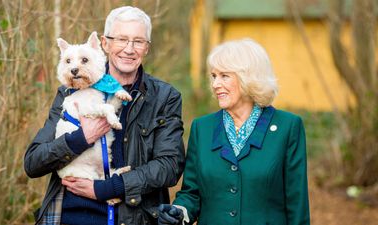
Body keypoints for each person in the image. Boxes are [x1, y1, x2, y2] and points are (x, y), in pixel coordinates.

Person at [24, 6, 185, 225]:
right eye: (121, 39)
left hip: (132, 218)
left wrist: (105, 188)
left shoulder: (164, 97)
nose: (129, 49)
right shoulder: (70, 91)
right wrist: (81, 138)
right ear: (105, 43)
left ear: (146, 48)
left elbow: (169, 166)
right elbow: (33, 162)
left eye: (138, 41)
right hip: (68, 216)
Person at [158, 38, 310, 225]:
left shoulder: (288, 127)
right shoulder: (202, 128)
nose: (215, 84)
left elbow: (297, 203)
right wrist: (179, 211)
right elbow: (192, 192)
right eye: (214, 76)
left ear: (249, 78)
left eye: (224, 76)